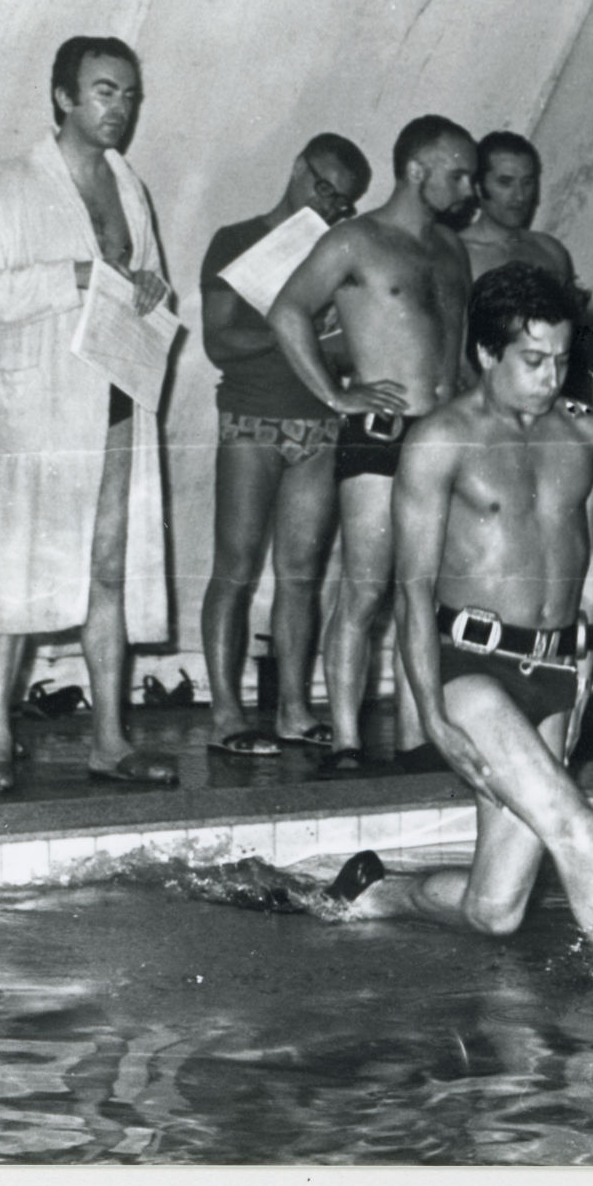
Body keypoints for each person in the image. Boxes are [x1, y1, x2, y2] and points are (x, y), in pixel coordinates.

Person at [320, 262, 593, 970]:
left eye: (562, 359)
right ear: (486, 353)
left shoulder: (588, 440)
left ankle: (375, 893)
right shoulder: (441, 441)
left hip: (553, 670)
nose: (551, 376)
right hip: (470, 669)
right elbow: (412, 592)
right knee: (575, 827)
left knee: (495, 910)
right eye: (533, 359)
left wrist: (583, 680)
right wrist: (433, 716)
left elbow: (590, 569)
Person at [0, 36, 177, 792]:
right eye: (105, 91)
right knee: (15, 569)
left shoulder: (129, 186)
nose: (120, 108)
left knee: (109, 568)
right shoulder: (14, 184)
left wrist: (149, 289)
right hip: (39, 408)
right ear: (64, 97)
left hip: (115, 398)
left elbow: (148, 281)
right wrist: (73, 274)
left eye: (129, 95)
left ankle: (110, 740)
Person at [266, 116, 477, 771]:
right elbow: (287, 310)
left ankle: (419, 737)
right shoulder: (356, 241)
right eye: (458, 175)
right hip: (380, 434)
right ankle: (348, 741)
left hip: (442, 437)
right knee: (365, 590)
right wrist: (337, 396)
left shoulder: (451, 250)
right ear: (417, 170)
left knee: (428, 595)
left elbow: (459, 352)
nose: (468, 189)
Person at [198, 134, 373, 756]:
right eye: (324, 188)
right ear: (299, 168)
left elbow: (350, 351)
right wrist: (288, 327)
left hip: (318, 424)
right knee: (236, 569)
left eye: (342, 201)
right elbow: (219, 342)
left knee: (300, 575)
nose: (329, 205)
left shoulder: (338, 253)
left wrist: (335, 346)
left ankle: (294, 710)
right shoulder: (236, 240)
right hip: (252, 419)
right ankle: (226, 715)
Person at [458, 131, 573, 285]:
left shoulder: (550, 250)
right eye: (505, 182)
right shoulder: (459, 256)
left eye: (527, 182)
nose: (520, 196)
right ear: (478, 187)